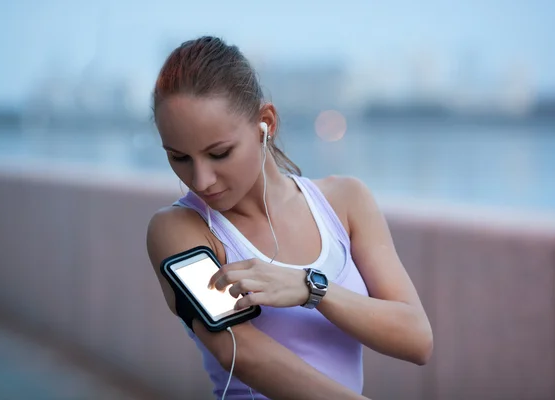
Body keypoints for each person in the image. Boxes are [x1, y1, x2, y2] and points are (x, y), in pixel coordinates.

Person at [146, 36, 433, 400]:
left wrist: (312, 289)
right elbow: (240, 353)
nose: (200, 180)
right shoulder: (178, 229)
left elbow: (417, 339)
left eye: (219, 153)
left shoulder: (346, 201)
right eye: (179, 157)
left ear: (265, 123)